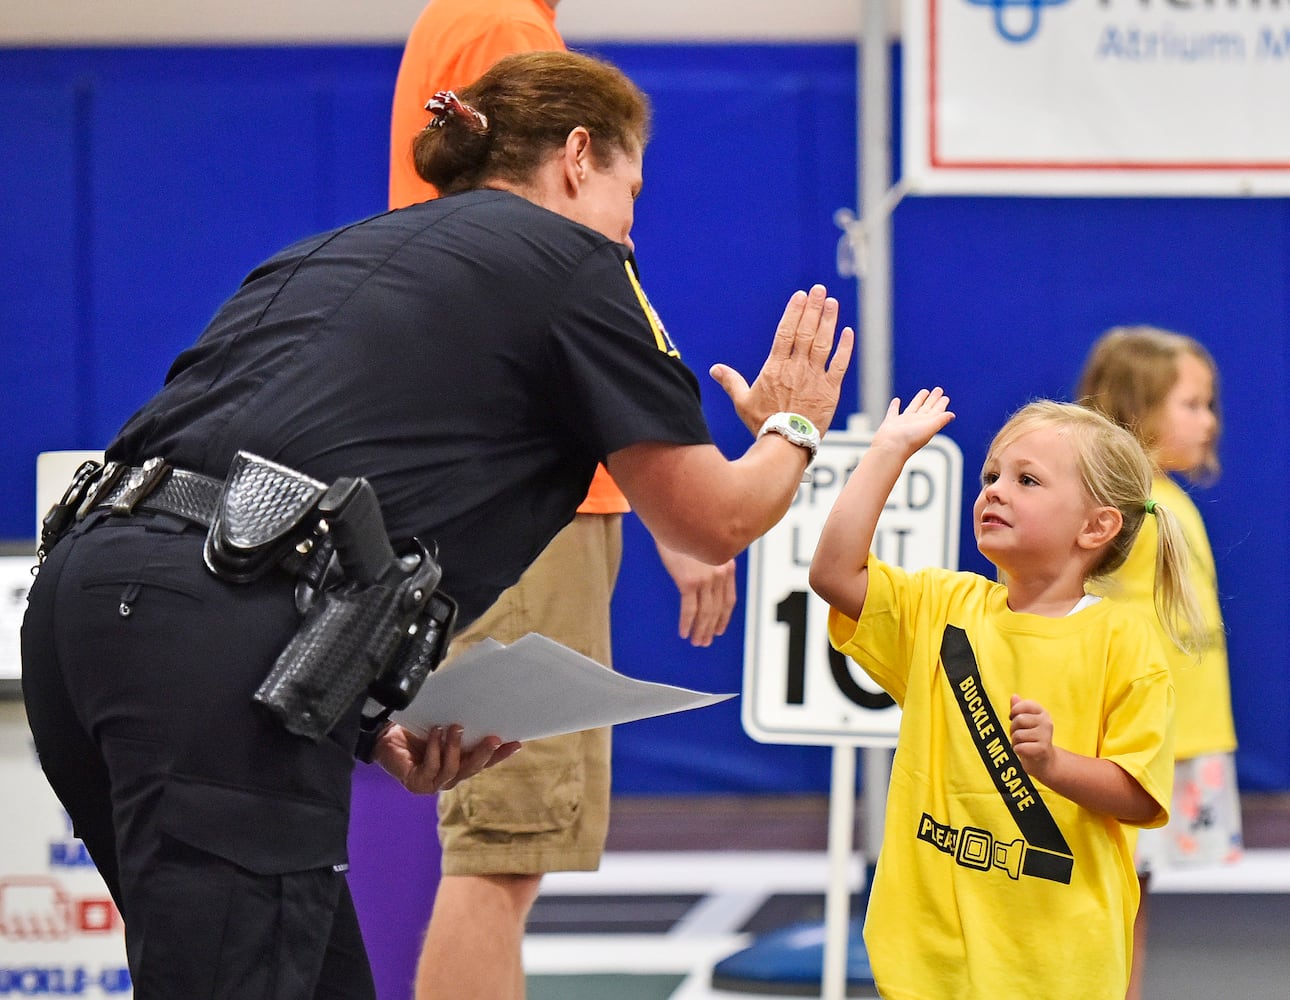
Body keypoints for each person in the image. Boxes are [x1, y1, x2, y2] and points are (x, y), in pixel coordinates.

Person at [20, 50, 853, 999]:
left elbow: (275, 481)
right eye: (632, 188)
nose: (631, 221)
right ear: (579, 156)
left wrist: (366, 715)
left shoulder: (325, 254)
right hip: (215, 640)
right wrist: (794, 423)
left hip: (80, 614)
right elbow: (715, 520)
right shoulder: (577, 264)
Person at [388, 5, 738, 998]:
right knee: (502, 846)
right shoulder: (499, 23)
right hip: (530, 483)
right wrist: (679, 490)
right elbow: (567, 260)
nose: (632, 210)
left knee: (505, 841)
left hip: (504, 471)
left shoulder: (466, 19)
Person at [809, 391, 1205, 999]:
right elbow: (833, 574)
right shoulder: (941, 606)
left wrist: (1053, 764)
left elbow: (1138, 793)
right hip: (930, 955)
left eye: (1027, 480)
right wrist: (886, 452)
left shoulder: (1123, 641)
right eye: (991, 475)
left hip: (1056, 963)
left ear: (1096, 526)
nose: (994, 490)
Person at [1076, 326, 1242, 1000]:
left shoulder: (1169, 500)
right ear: (1135, 410)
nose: (1209, 422)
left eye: (1209, 405)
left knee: (1134, 896)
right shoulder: (1120, 508)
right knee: (1109, 896)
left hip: (1181, 739)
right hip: (1133, 741)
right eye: (1192, 404)